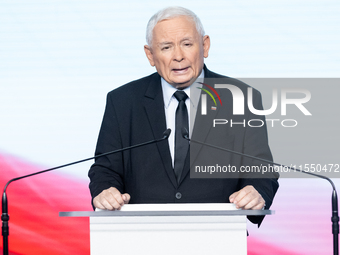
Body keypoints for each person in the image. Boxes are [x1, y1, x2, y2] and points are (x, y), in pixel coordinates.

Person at [88, 6, 279, 225]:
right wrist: (105, 191)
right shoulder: (122, 101)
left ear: (205, 46)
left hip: (218, 235)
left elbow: (261, 170)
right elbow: (105, 169)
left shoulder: (242, 98)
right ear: (150, 55)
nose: (178, 56)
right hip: (140, 234)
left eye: (187, 44)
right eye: (166, 47)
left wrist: (256, 193)